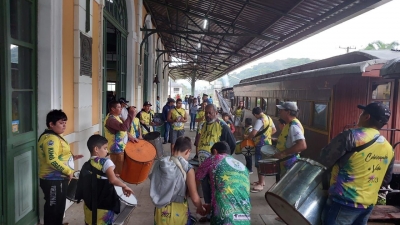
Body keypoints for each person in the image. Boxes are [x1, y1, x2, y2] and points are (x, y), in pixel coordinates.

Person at [317, 102, 394, 225]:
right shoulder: (388, 148)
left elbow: (324, 159)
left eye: (362, 113)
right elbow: (386, 179)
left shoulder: (350, 137)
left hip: (343, 202)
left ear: (366, 116)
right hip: (367, 205)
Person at [75, 135, 134, 225]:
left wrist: (111, 175)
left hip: (89, 207)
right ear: (96, 149)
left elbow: (96, 177)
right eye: (105, 148)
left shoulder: (86, 165)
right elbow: (113, 180)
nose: (107, 151)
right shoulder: (106, 162)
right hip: (103, 207)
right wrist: (124, 186)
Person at [38, 109, 83, 225]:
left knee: (59, 206)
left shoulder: (56, 136)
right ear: (51, 124)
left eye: (65, 122)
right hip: (52, 180)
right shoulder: (51, 139)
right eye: (61, 123)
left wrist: (71, 158)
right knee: (53, 207)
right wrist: (68, 170)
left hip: (58, 178)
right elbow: (52, 159)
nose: (64, 125)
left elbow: (59, 154)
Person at [150, 136, 206, 224]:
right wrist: (200, 208)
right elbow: (195, 198)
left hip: (160, 209)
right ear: (188, 151)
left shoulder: (160, 163)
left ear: (173, 147)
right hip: (178, 210)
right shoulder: (188, 168)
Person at [197, 104, 236, 222]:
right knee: (206, 189)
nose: (207, 115)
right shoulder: (203, 125)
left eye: (210, 113)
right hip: (204, 165)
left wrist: (224, 159)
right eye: (206, 113)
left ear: (215, 113)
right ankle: (209, 214)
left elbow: (232, 144)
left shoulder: (223, 126)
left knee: (217, 190)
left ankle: (218, 214)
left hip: (216, 166)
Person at [196, 142, 251, 224]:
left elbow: (196, 180)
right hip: (244, 217)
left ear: (214, 151)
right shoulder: (242, 166)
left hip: (223, 216)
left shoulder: (213, 158)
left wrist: (198, 205)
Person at [272, 102, 307, 177]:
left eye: (281, 110)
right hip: (285, 162)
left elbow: (302, 145)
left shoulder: (293, 126)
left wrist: (282, 153)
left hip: (289, 163)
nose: (279, 112)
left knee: (284, 186)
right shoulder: (289, 124)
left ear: (288, 112)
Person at [246, 107, 276, 192]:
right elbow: (274, 130)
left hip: (260, 145)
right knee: (263, 162)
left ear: (255, 114)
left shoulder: (260, 120)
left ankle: (261, 184)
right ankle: (261, 181)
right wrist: (267, 136)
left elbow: (254, 133)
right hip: (267, 144)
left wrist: (248, 138)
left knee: (259, 163)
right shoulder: (269, 118)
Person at [104, 100, 135, 175]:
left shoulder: (116, 117)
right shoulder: (110, 120)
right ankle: (114, 186)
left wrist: (130, 136)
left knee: (119, 170)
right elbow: (124, 127)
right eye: (119, 107)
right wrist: (131, 114)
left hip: (120, 148)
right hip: (116, 150)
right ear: (113, 109)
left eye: (121, 107)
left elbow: (122, 130)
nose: (121, 109)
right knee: (116, 172)